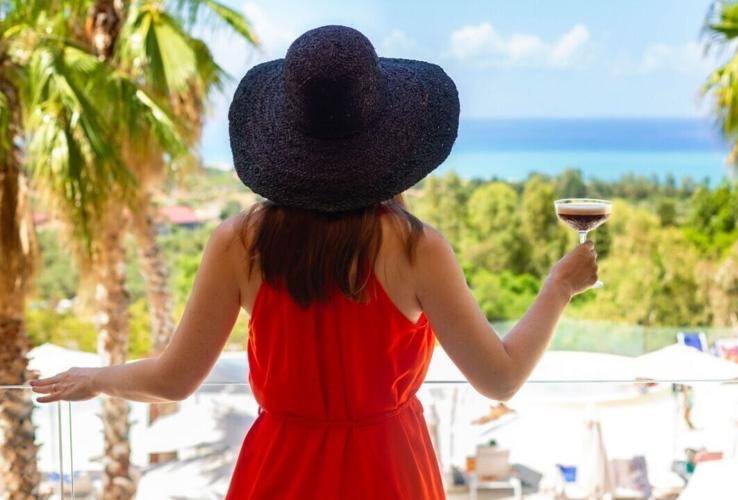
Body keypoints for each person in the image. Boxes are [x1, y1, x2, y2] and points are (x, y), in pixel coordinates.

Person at [29, 26, 599, 499]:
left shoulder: (239, 243)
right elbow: (499, 378)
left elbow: (175, 380)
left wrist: (95, 378)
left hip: (279, 472)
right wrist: (558, 286)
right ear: (393, 145)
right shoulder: (415, 248)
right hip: (391, 474)